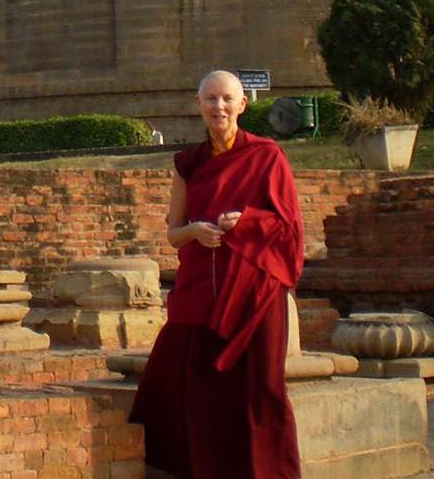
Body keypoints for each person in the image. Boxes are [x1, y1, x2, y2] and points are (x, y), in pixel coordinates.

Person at [129, 70, 305, 478]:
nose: (219, 107)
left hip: (256, 289)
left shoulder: (266, 156)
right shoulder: (188, 164)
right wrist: (196, 230)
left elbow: (290, 229)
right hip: (203, 287)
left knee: (262, 387)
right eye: (211, 99)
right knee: (188, 382)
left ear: (242, 105)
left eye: (227, 99)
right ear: (199, 105)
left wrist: (246, 222)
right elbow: (174, 234)